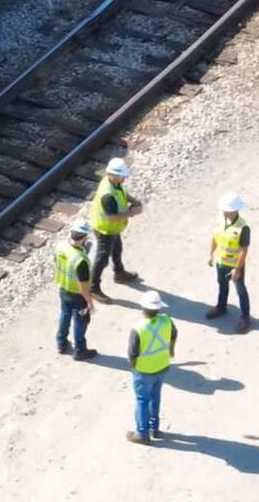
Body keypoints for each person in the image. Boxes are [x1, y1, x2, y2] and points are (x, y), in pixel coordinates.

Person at [88, 157, 144, 301]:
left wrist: (133, 201)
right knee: (102, 258)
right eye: (121, 175)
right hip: (105, 229)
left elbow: (122, 193)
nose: (124, 178)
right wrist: (132, 213)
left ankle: (119, 273)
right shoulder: (107, 195)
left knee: (117, 249)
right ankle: (93, 287)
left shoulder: (112, 182)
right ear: (112, 174)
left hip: (112, 228)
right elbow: (111, 217)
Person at [126, 291, 177, 445]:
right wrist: (171, 349)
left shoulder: (138, 328)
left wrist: (133, 367)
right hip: (162, 366)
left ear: (143, 308)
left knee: (142, 400)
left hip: (143, 370)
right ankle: (155, 428)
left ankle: (142, 433)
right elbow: (174, 335)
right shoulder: (167, 320)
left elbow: (132, 353)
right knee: (155, 397)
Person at [205, 191, 251, 333]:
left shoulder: (243, 228)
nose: (225, 212)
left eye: (227, 210)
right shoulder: (220, 219)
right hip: (221, 261)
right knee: (222, 285)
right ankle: (221, 307)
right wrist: (211, 254)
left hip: (234, 265)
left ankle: (245, 317)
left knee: (240, 290)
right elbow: (214, 236)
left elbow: (244, 250)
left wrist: (237, 269)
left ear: (235, 210)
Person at [54, 220, 97, 361]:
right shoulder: (81, 261)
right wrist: (90, 302)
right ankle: (80, 350)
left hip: (63, 289)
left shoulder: (60, 246)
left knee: (64, 316)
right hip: (78, 296)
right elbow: (83, 287)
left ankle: (61, 343)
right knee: (80, 322)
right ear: (84, 237)